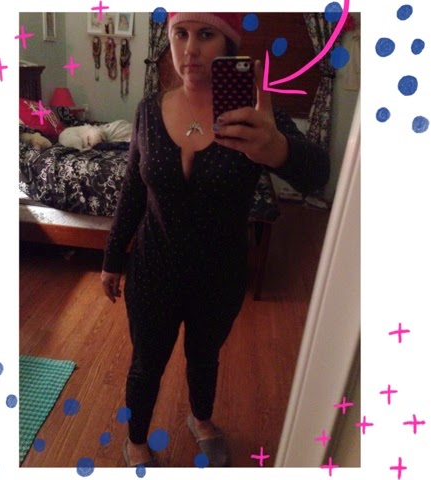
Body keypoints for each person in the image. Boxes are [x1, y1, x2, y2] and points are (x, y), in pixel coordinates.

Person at [101, 12, 329, 468]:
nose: (190, 49)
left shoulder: (253, 116)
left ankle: (201, 419)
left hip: (220, 274)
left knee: (204, 357)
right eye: (180, 34)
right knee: (146, 362)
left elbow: (317, 175)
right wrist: (111, 258)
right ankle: (137, 441)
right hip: (154, 269)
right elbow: (133, 191)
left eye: (206, 34)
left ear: (228, 46)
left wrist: (278, 149)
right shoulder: (148, 110)